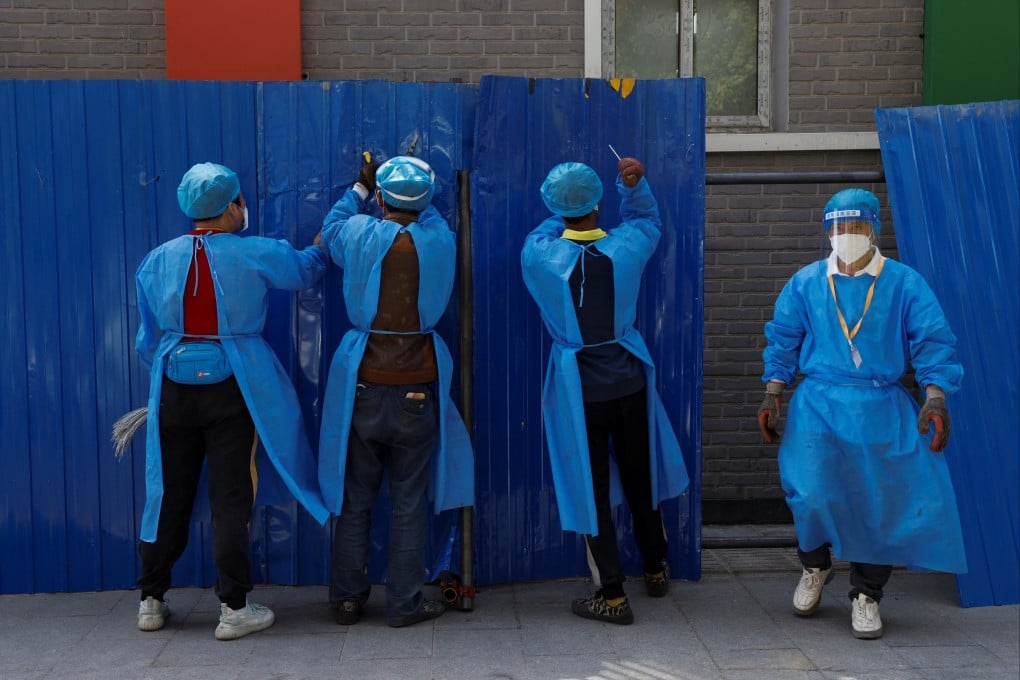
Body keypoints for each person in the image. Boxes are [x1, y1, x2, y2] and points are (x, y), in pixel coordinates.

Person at [758, 188, 966, 639]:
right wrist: (774, 391)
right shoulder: (807, 281)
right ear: (826, 231)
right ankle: (816, 565)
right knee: (809, 492)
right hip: (818, 403)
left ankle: (867, 593)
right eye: (837, 228)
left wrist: (935, 397)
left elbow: (933, 341)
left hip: (879, 405)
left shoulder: (904, 283)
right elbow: (784, 337)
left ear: (873, 230)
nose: (846, 236)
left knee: (878, 503)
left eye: (855, 228)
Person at [133, 162, 330, 640]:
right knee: (231, 496)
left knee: (167, 493)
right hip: (232, 388)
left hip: (173, 389)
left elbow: (146, 339)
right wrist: (324, 243)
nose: (246, 207)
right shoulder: (255, 252)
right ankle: (234, 609)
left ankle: (151, 602)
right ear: (229, 208)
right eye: (240, 200)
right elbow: (306, 270)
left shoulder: (157, 259)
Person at [520, 159, 689, 625]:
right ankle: (656, 568)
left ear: (556, 208)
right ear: (598, 205)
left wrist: (566, 205)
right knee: (641, 475)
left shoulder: (540, 256)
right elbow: (647, 220)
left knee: (589, 489)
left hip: (580, 393)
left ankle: (611, 594)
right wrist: (631, 187)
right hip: (629, 383)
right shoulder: (628, 248)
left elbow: (547, 227)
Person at [317, 156, 474, 628]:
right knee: (409, 502)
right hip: (416, 391)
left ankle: (346, 599)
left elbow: (331, 227)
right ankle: (405, 605)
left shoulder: (361, 234)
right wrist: (408, 193)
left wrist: (362, 187)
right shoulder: (440, 241)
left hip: (364, 386)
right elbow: (427, 216)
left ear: (383, 199)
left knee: (354, 498)